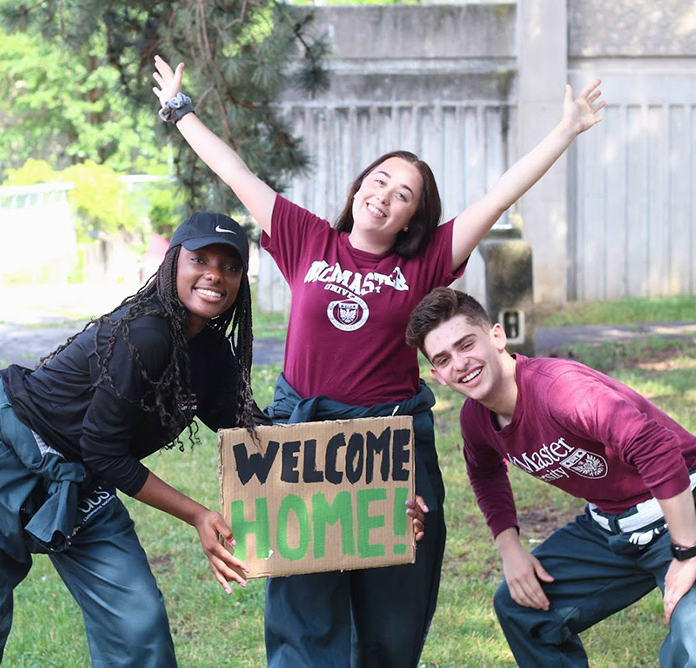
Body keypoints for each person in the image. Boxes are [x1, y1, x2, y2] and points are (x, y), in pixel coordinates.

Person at [152, 55, 604, 666]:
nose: (385, 196)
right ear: (359, 185)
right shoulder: (306, 237)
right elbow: (236, 174)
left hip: (389, 438)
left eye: (404, 195)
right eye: (380, 181)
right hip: (303, 434)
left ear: (415, 216)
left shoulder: (427, 262)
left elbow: (500, 196)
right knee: (303, 599)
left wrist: (565, 129)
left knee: (394, 599)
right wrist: (180, 111)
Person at [0, 213, 260, 666]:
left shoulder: (213, 354)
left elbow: (252, 434)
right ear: (172, 264)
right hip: (1, 455)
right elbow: (104, 449)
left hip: (80, 477)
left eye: (230, 266)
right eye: (199, 259)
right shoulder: (147, 332)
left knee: (137, 622)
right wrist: (197, 514)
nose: (214, 274)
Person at [404, 287, 696, 667]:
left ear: (497, 337)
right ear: (437, 375)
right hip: (615, 527)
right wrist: (511, 551)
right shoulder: (476, 420)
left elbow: (656, 447)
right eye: (444, 358)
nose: (460, 363)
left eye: (466, 344)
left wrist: (686, 551)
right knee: (521, 606)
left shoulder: (559, 391)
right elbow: (484, 472)